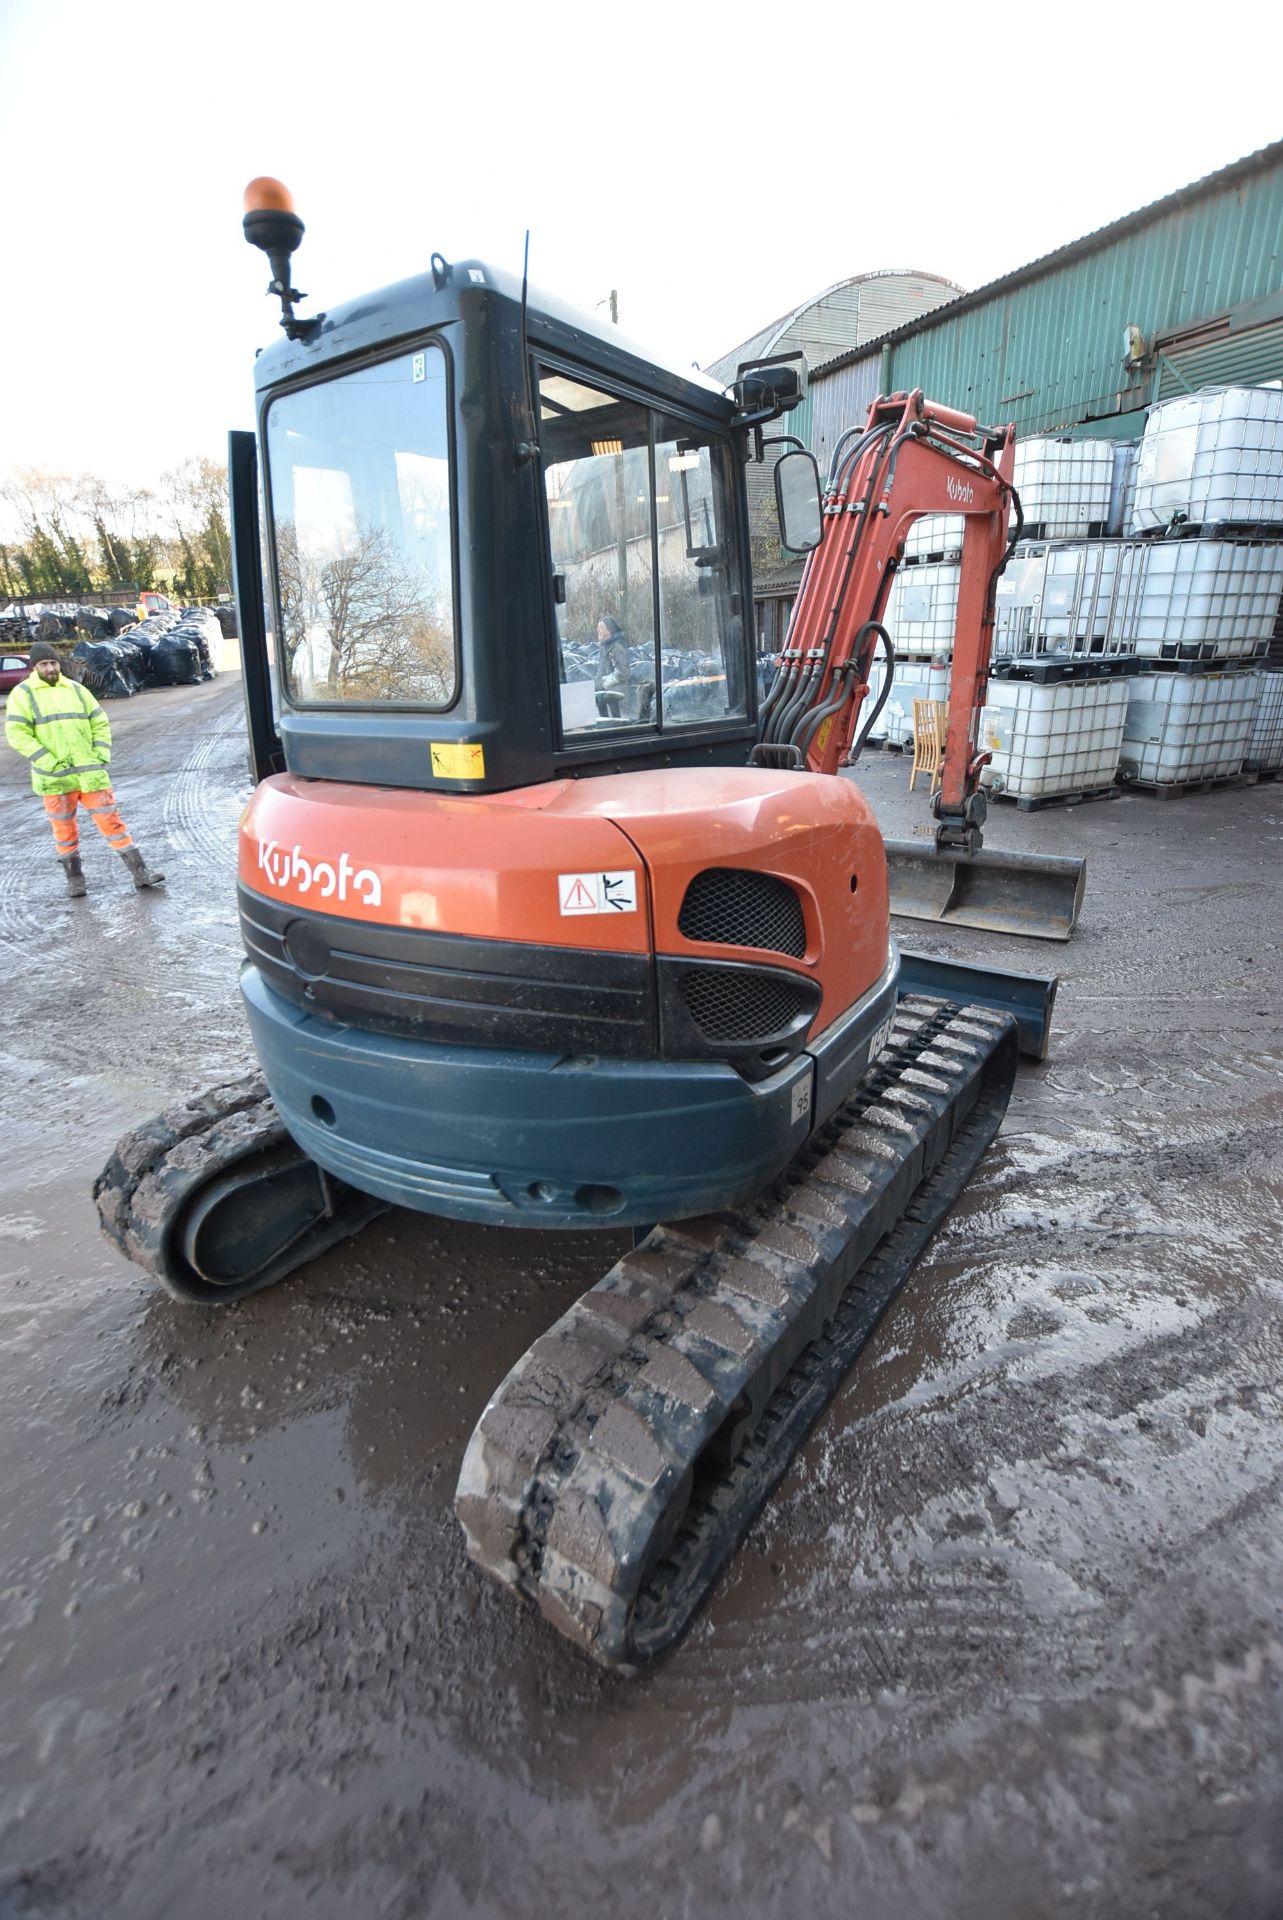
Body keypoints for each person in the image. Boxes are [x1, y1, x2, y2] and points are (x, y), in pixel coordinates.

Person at [4, 641, 165, 897]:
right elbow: (17, 733)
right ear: (35, 667)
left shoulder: (76, 690)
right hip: (54, 779)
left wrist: (101, 753)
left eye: (53, 662)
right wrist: (48, 761)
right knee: (64, 831)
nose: (50, 668)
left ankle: (140, 873)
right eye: (44, 664)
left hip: (90, 774)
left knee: (113, 823)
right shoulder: (23, 694)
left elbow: (99, 721)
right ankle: (75, 881)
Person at [593, 615, 631, 718]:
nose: (597, 630)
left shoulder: (616, 648)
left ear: (609, 630)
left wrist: (604, 682)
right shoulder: (605, 647)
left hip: (616, 699)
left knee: (616, 726)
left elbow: (623, 672)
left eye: (601, 627)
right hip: (606, 697)